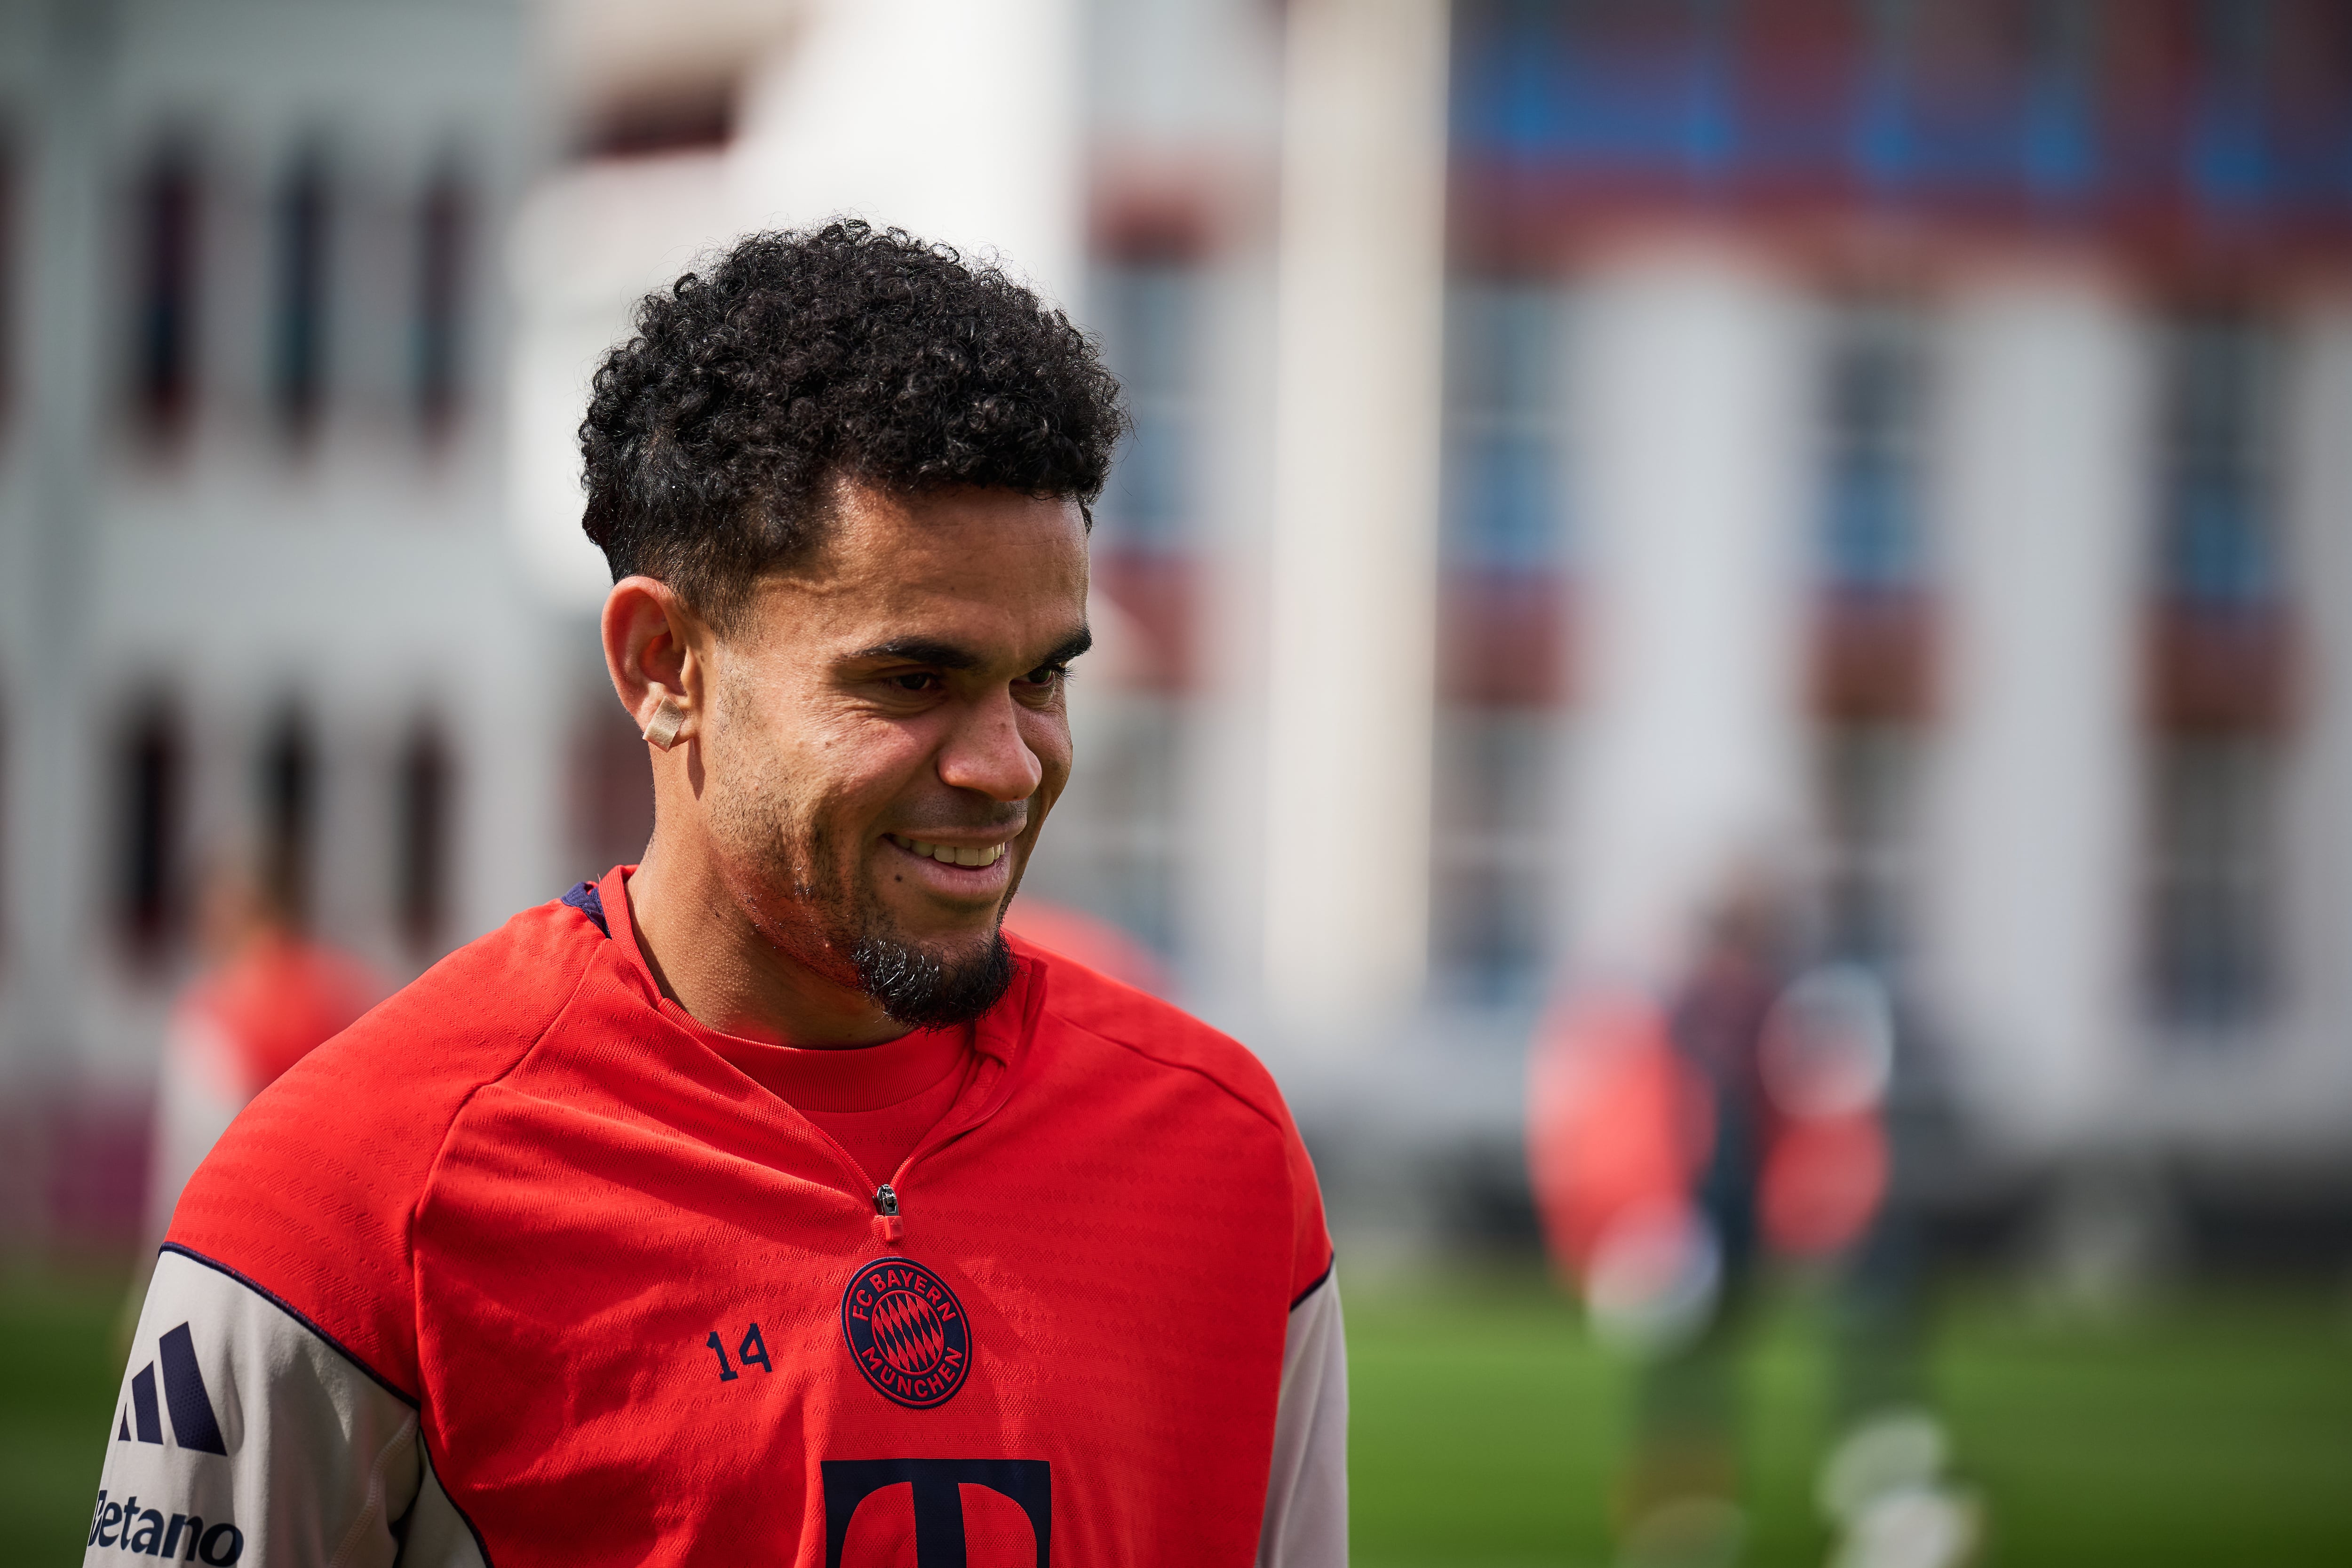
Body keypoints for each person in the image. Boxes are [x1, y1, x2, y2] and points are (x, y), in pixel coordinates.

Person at [87, 223, 1344, 1567]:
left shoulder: (1225, 1158)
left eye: (1043, 677)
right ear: (662, 665)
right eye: (911, 679)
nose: (1008, 766)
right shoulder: (344, 1199)